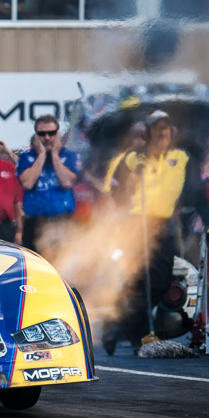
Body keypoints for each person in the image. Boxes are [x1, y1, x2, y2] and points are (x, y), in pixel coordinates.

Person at [102, 110, 189, 355]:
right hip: (136, 223)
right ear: (147, 132)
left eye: (166, 128)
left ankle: (125, 325)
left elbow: (189, 187)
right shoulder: (132, 158)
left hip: (164, 224)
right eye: (156, 128)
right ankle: (128, 330)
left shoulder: (180, 158)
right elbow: (114, 189)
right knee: (137, 279)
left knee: (160, 281)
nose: (161, 133)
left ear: (172, 133)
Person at [16, 115, 81, 253]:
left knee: (63, 262)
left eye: (51, 133)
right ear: (36, 135)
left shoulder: (70, 156)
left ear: (57, 134)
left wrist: (55, 155)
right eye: (42, 134)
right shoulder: (26, 157)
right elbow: (27, 183)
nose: (47, 137)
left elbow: (67, 182)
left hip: (62, 221)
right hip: (34, 222)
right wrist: (42, 155)